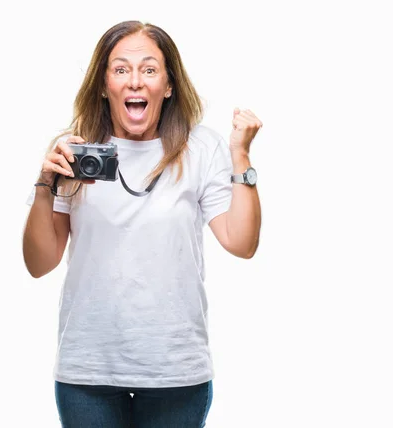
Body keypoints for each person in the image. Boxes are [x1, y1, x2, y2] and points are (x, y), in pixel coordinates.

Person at [22, 20, 262, 428]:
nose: (135, 81)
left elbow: (242, 242)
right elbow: (39, 263)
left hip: (175, 367)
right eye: (121, 69)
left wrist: (241, 156)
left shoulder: (200, 147)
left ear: (168, 85)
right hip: (89, 368)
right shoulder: (75, 149)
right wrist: (46, 184)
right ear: (103, 84)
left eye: (149, 69)